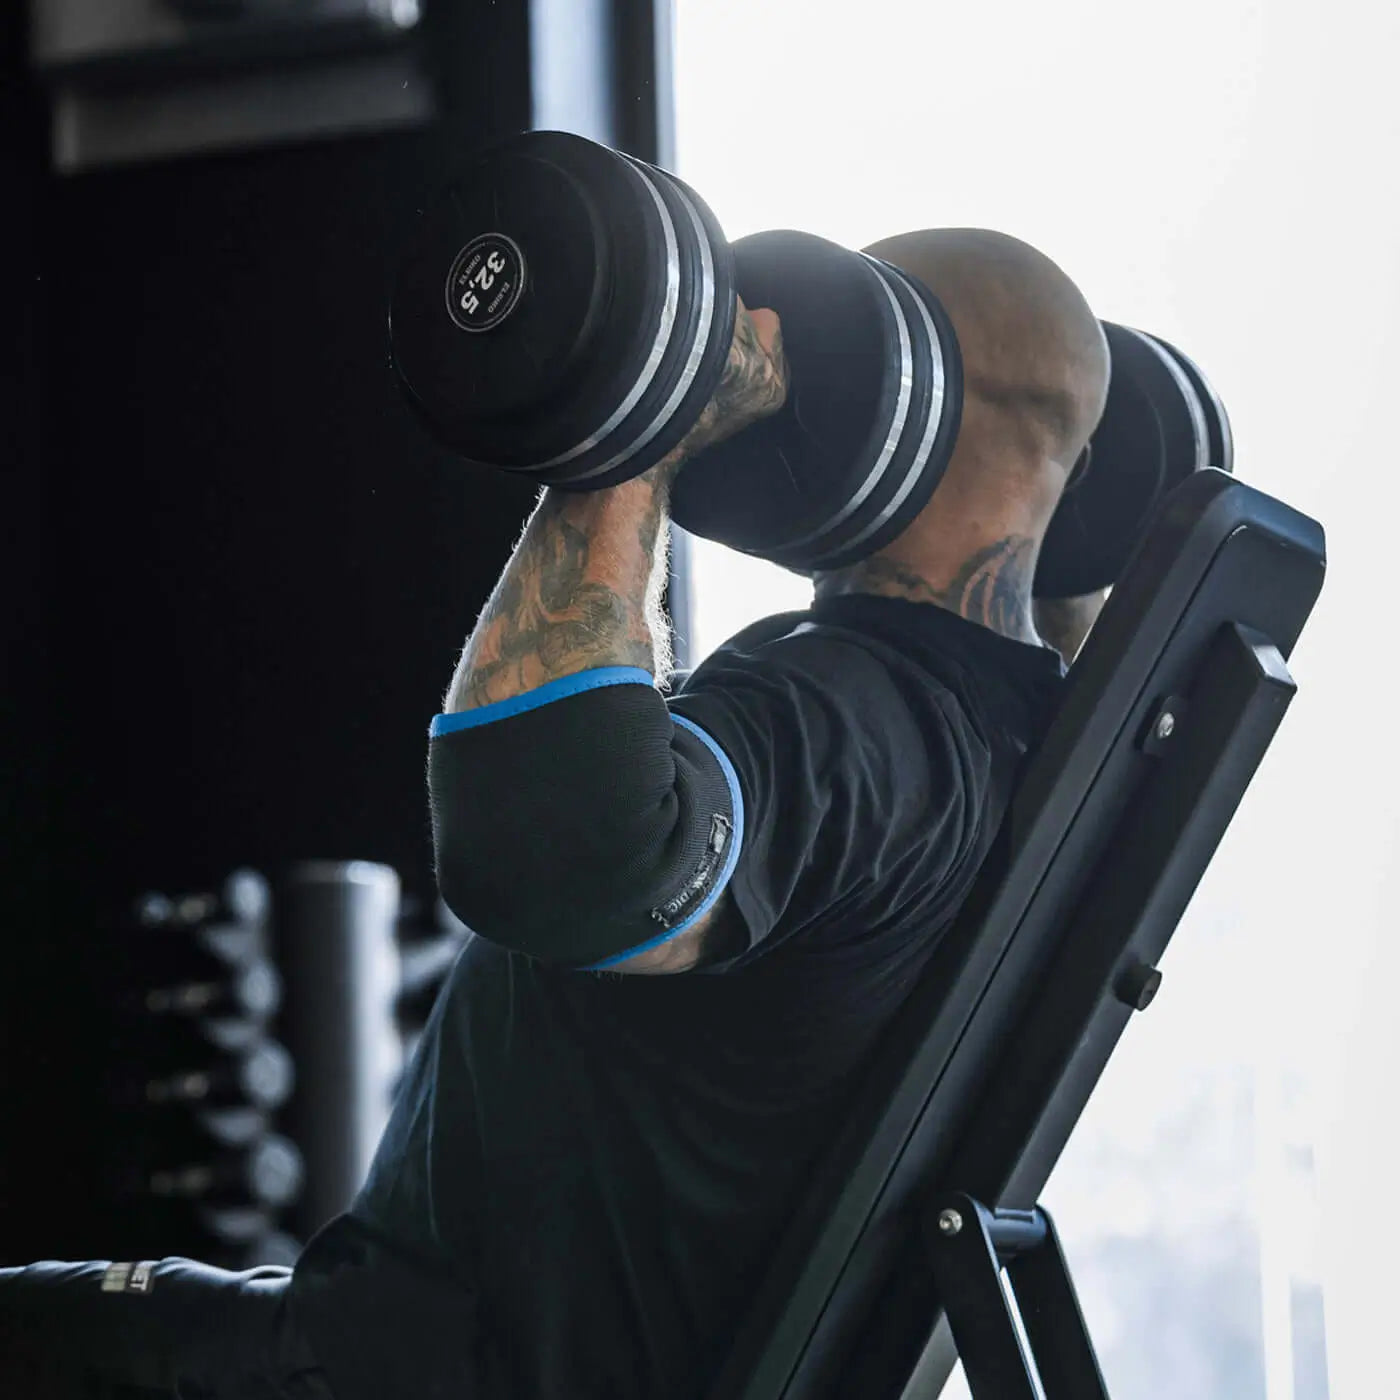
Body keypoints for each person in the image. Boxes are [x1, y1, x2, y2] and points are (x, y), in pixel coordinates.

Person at [0, 228, 1111, 1399]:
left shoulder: (849, 716)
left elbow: (561, 852)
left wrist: (644, 430)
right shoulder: (1006, 743)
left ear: (899, 377)